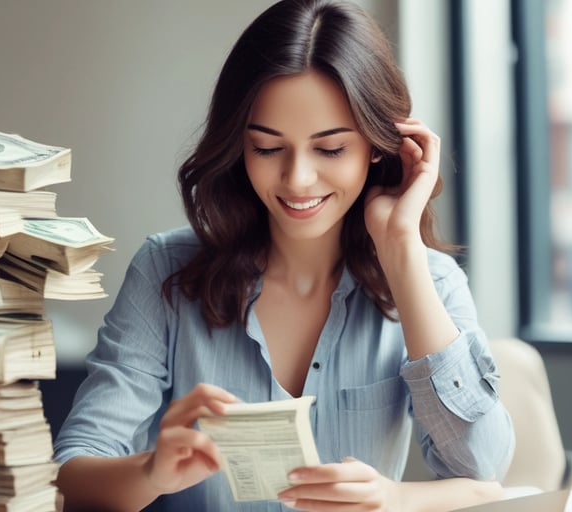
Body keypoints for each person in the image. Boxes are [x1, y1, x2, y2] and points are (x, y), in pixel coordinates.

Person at [53, 0, 515, 510]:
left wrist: (401, 248)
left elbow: (483, 471)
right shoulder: (166, 271)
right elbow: (71, 474)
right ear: (238, 147)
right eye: (268, 149)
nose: (297, 179)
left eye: (331, 149)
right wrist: (151, 471)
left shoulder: (432, 281)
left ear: (379, 146)